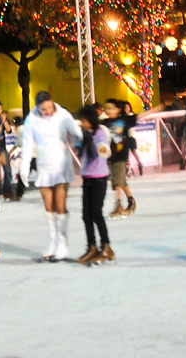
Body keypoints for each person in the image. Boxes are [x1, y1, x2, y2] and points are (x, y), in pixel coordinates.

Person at [20, 90, 82, 261]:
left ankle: (62, 242)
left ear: (52, 102)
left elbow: (78, 133)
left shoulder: (63, 115)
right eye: (43, 109)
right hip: (44, 165)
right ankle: (53, 241)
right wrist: (24, 168)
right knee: (49, 206)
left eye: (48, 108)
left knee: (60, 204)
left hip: (61, 165)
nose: (47, 112)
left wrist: (82, 143)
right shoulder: (31, 119)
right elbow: (27, 144)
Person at [75, 105, 115, 263]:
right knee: (86, 215)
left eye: (84, 120)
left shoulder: (99, 132)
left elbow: (102, 145)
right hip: (88, 178)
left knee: (96, 213)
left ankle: (106, 247)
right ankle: (92, 247)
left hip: (99, 179)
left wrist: (103, 149)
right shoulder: (86, 132)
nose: (82, 123)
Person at [104, 99, 136, 215]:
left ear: (118, 110)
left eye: (111, 108)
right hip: (111, 155)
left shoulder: (124, 120)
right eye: (106, 108)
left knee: (117, 181)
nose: (108, 111)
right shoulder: (104, 123)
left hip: (121, 155)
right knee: (120, 179)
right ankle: (131, 201)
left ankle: (119, 205)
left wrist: (155, 109)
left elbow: (139, 116)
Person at [122, 100, 144, 176]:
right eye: (125, 107)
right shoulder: (123, 117)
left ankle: (139, 165)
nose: (127, 108)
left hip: (130, 137)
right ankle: (129, 169)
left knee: (133, 151)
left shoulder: (130, 116)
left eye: (128, 107)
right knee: (127, 154)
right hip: (125, 138)